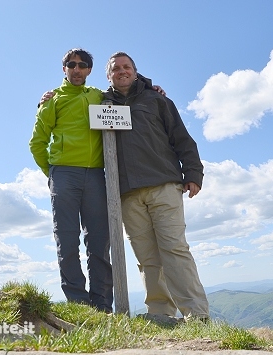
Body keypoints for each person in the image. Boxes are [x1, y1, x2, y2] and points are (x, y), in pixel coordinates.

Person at [29, 48, 164, 313]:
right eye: (71, 65)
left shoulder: (100, 97)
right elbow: (37, 143)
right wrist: (54, 173)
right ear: (64, 69)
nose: (77, 69)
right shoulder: (53, 100)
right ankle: (78, 304)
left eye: (82, 65)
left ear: (90, 70)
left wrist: (152, 87)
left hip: (97, 176)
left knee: (100, 241)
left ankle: (102, 305)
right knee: (67, 240)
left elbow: (127, 90)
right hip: (64, 173)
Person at [102, 52, 210, 320]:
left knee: (174, 248)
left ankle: (197, 315)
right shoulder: (101, 104)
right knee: (147, 258)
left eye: (127, 67)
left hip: (164, 184)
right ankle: (160, 313)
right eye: (116, 68)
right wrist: (46, 98)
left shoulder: (157, 99)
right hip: (126, 193)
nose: (122, 71)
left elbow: (181, 137)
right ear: (109, 76)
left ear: (136, 72)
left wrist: (193, 172)